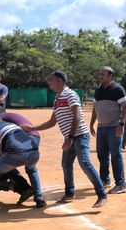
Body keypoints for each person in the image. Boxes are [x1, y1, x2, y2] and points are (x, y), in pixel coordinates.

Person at [23, 71, 107, 208]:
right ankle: (69, 193)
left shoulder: (71, 94)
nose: (49, 84)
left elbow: (77, 117)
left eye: (52, 81)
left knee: (85, 163)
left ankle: (102, 194)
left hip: (79, 136)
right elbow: (51, 122)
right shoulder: (57, 99)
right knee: (66, 164)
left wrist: (70, 137)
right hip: (70, 137)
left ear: (61, 81)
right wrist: (32, 128)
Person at [0, 113, 46, 209]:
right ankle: (39, 198)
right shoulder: (12, 125)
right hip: (33, 150)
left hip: (17, 152)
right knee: (32, 170)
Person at [90, 66, 126, 194]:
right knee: (102, 156)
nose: (100, 76)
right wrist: (91, 124)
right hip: (101, 128)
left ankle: (121, 184)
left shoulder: (118, 89)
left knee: (116, 156)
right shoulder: (98, 91)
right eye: (99, 74)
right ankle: (105, 180)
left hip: (114, 128)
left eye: (103, 74)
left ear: (110, 75)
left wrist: (121, 124)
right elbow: (96, 109)